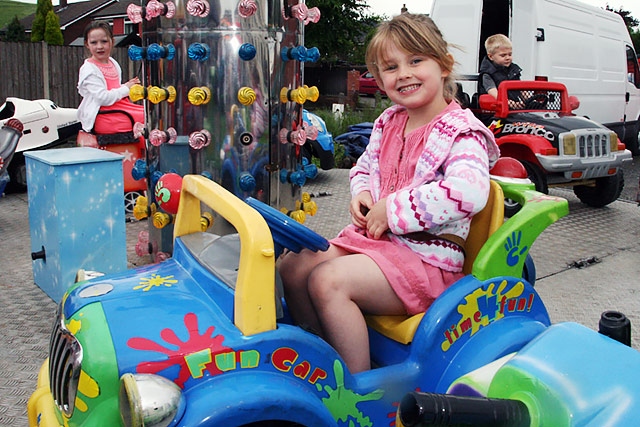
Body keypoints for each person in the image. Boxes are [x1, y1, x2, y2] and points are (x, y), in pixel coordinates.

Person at [278, 13, 500, 373]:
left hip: (426, 259)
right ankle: (320, 358)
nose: (404, 73)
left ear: (443, 65)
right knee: (293, 264)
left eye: (416, 60)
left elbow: (470, 191)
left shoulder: (462, 132)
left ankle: (357, 388)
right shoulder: (389, 121)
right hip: (378, 246)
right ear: (380, 79)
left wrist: (392, 210)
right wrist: (362, 193)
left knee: (328, 280)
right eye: (391, 67)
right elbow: (364, 167)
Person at [77, 20, 144, 134]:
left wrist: (128, 86)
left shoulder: (112, 63)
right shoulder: (89, 70)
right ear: (87, 44)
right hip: (103, 114)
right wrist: (126, 88)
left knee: (148, 113)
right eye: (94, 42)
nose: (99, 47)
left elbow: (114, 89)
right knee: (144, 118)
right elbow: (103, 98)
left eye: (104, 41)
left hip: (118, 108)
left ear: (112, 42)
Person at [478, 34, 522, 99]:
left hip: (512, 106)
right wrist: (509, 103)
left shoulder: (514, 70)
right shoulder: (487, 74)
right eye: (503, 55)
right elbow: (494, 94)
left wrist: (531, 101)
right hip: (495, 107)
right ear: (491, 56)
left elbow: (521, 90)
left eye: (510, 54)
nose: (507, 58)